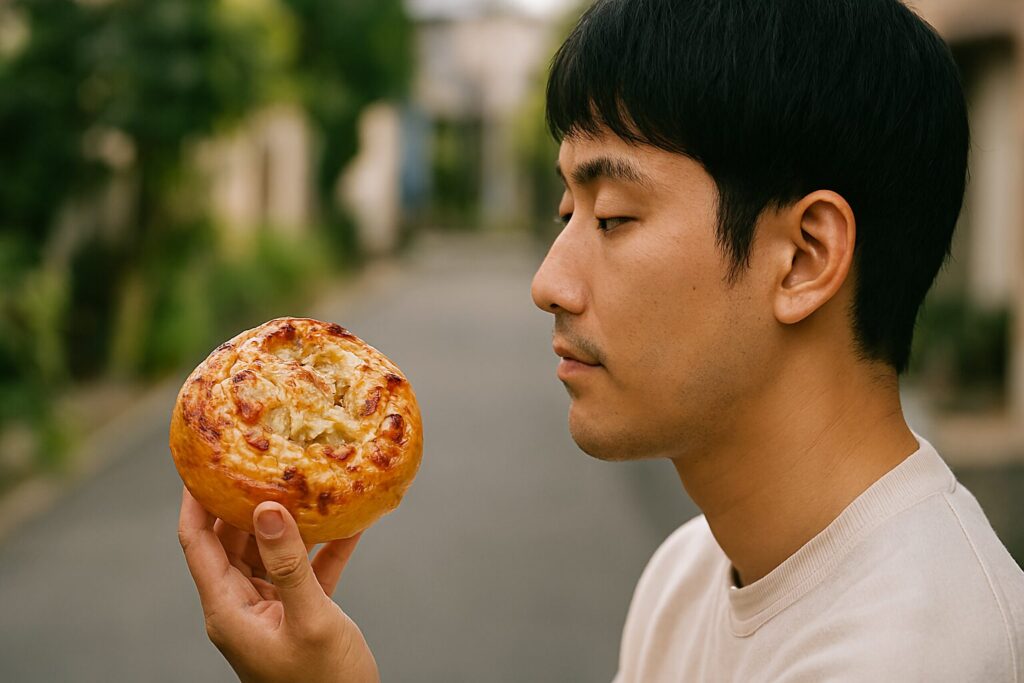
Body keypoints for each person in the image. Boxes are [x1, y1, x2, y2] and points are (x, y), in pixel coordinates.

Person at [178, 0, 1024, 680]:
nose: (549, 281)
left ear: (804, 258)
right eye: (565, 212)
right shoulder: (691, 571)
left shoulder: (923, 652)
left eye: (613, 217)